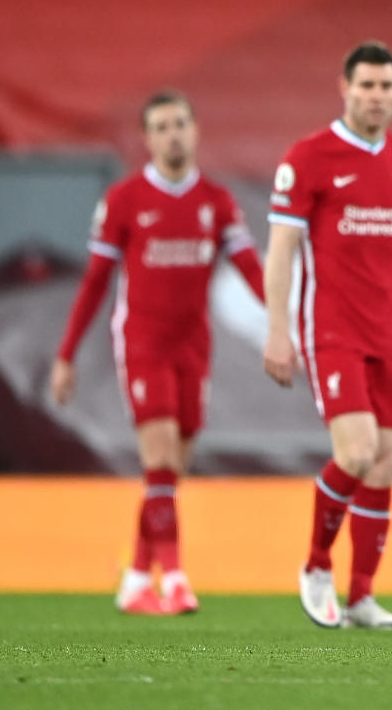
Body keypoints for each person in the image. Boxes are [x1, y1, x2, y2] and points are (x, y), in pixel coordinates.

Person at [262, 41, 392, 629]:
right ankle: (315, 566)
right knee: (355, 452)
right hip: (332, 328)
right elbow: (280, 249)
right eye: (366, 85)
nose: (377, 96)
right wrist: (277, 329)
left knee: (383, 465)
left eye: (386, 86)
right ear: (344, 88)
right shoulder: (308, 157)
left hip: (391, 332)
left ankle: (360, 598)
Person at [51, 91, 265, 615]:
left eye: (180, 124)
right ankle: (174, 578)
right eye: (162, 127)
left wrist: (283, 325)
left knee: (169, 473)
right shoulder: (124, 200)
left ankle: (134, 580)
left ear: (195, 131)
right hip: (143, 343)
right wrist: (66, 354)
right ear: (147, 139)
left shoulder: (217, 202)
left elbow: (251, 268)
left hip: (194, 345)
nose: (173, 134)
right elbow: (96, 282)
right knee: (162, 459)